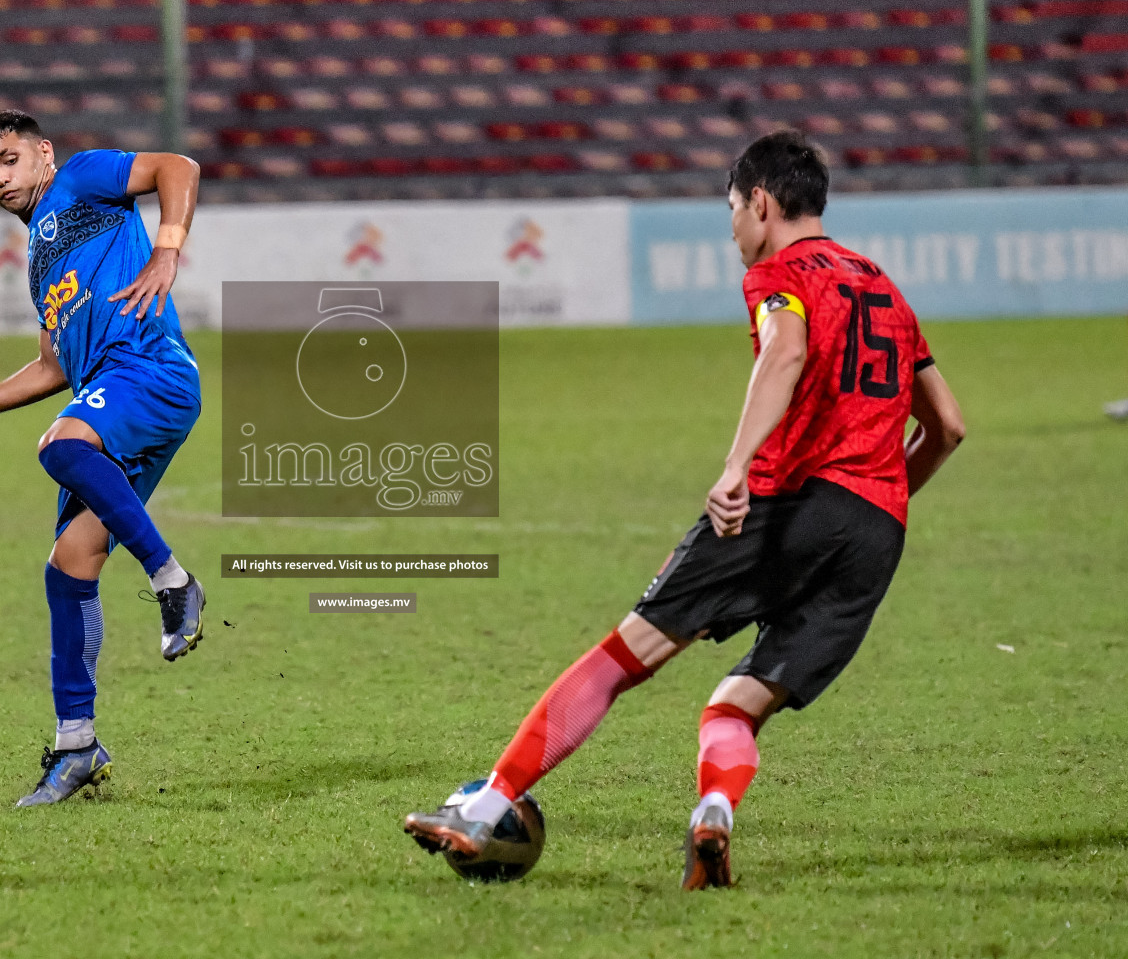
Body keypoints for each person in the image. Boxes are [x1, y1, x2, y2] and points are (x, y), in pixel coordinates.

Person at [404, 131, 967, 889]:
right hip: (875, 529)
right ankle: (714, 814)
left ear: (761, 204)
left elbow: (786, 351)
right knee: (735, 707)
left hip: (782, 503)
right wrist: (877, 500)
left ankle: (488, 804)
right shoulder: (884, 288)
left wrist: (737, 468)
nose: (732, 229)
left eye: (733, 210)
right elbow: (948, 426)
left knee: (618, 662)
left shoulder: (781, 274)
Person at [0, 110, 207, 807]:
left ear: (41, 154)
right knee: (70, 564)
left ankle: (172, 581)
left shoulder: (80, 179)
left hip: (149, 370)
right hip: (110, 389)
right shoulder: (41, 258)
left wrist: (168, 251)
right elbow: (51, 366)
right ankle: (76, 746)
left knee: (61, 445)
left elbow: (176, 168)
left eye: (8, 160)